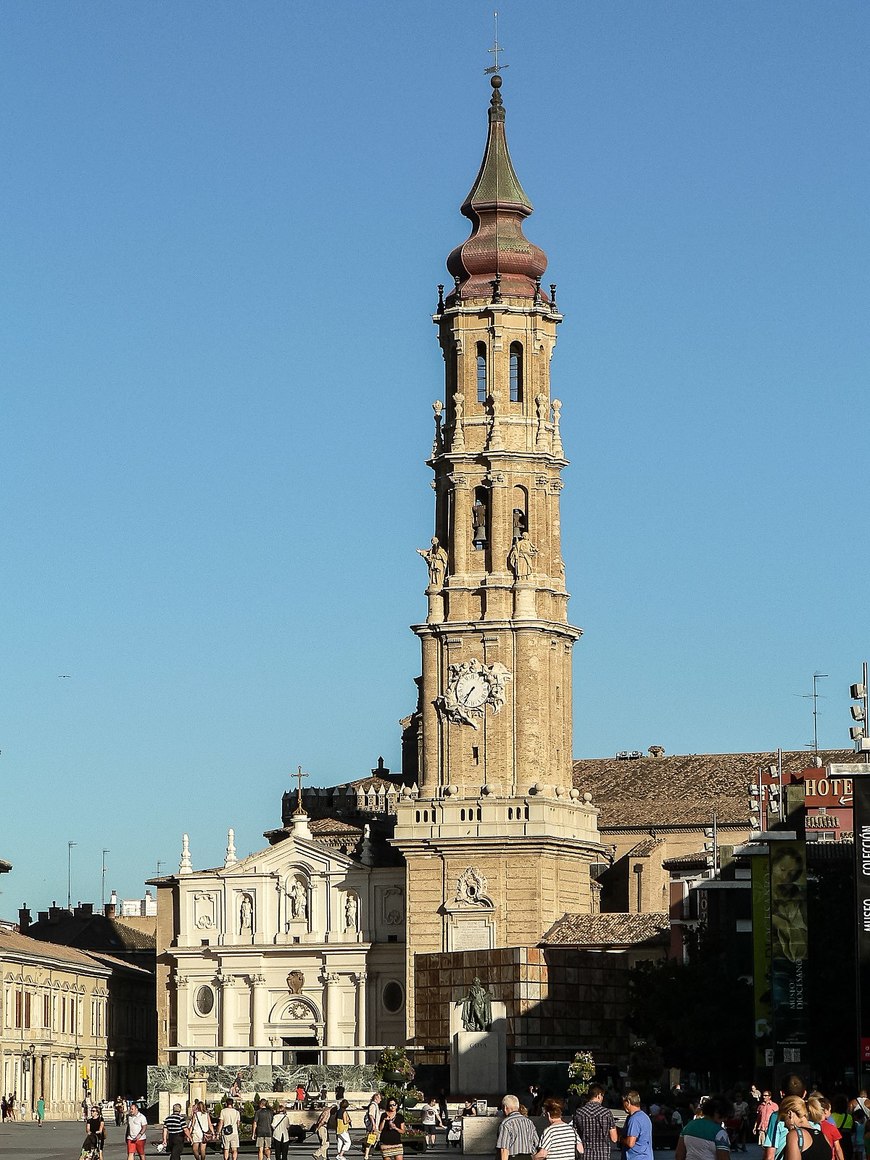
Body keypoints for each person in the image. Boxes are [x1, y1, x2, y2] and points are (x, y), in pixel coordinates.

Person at [574, 1084, 618, 1160]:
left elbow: (575, 1134)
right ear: (599, 1095)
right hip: (602, 1154)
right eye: (602, 1096)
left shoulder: (579, 1113)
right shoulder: (606, 1113)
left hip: (585, 1154)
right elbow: (614, 1138)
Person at [498, 1094, 539, 1160]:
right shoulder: (529, 1122)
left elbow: (504, 1149)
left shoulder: (506, 1123)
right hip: (528, 1156)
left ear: (505, 1108)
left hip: (513, 1157)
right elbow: (536, 1142)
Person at [620, 1092, 653, 1160]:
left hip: (636, 1157)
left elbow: (630, 1143)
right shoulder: (644, 1116)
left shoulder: (634, 1119)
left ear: (628, 1102)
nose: (623, 1106)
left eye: (624, 1102)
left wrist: (620, 1139)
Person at [363, 1093, 383, 1160]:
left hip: (375, 1126)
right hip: (373, 1126)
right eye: (380, 1098)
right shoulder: (373, 1105)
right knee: (371, 1139)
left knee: (372, 1140)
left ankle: (366, 1154)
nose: (380, 1100)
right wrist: (373, 1124)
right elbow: (371, 1115)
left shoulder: (375, 1105)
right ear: (376, 1098)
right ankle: (366, 1154)